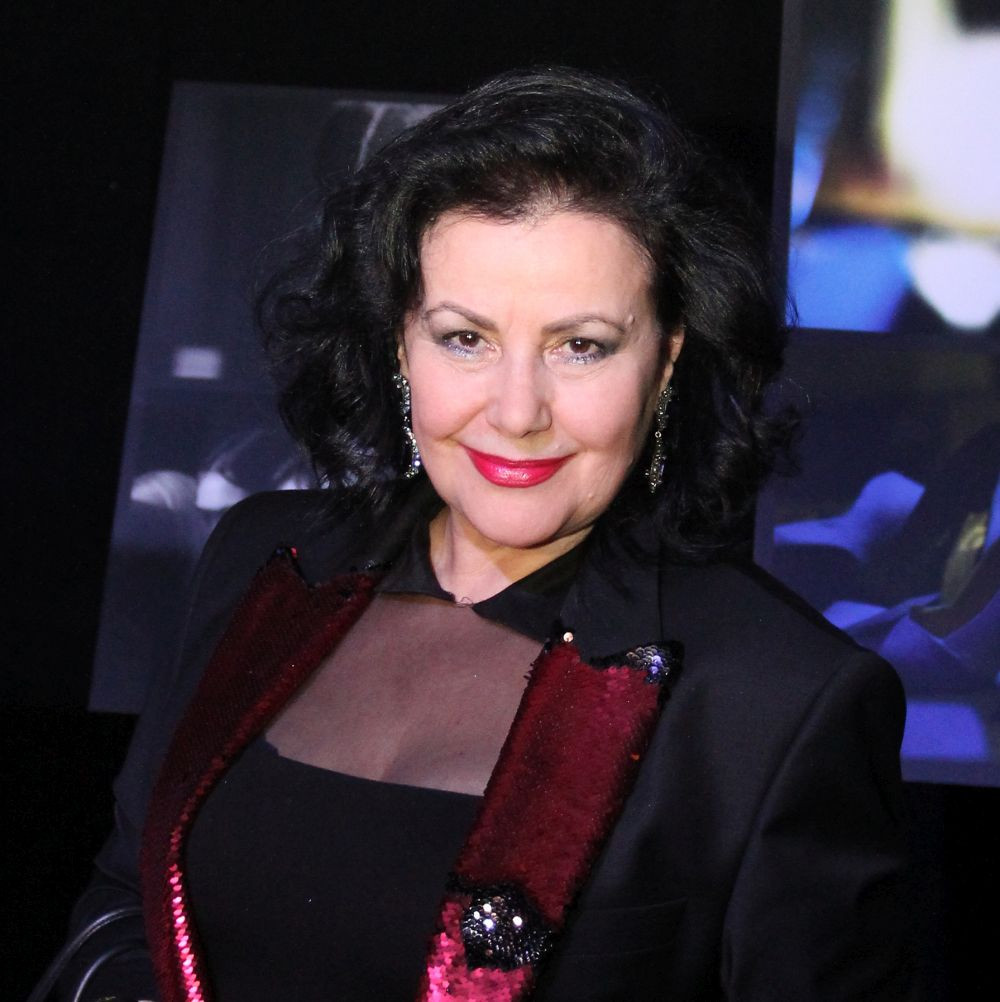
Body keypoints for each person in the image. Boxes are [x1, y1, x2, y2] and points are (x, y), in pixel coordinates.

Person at [54, 68, 913, 1001]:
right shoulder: (261, 557)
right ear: (400, 343)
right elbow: (124, 906)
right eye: (465, 338)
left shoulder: (780, 697)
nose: (515, 411)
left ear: (665, 363)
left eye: (580, 346)